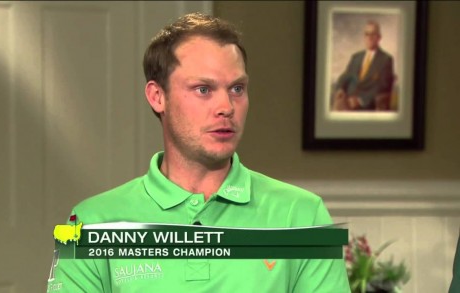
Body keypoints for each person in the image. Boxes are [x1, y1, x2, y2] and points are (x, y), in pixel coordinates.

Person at [47, 12, 350, 293]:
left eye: (237, 89)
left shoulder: (303, 216)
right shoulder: (89, 224)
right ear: (157, 97)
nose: (226, 108)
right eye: (203, 89)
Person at [333, 20, 395, 111]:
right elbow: (345, 76)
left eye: (373, 34)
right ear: (364, 37)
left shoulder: (386, 59)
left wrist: (360, 100)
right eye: (367, 34)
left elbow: (382, 86)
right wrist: (340, 88)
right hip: (347, 100)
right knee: (337, 107)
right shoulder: (356, 57)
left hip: (367, 105)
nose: (369, 37)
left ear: (379, 37)